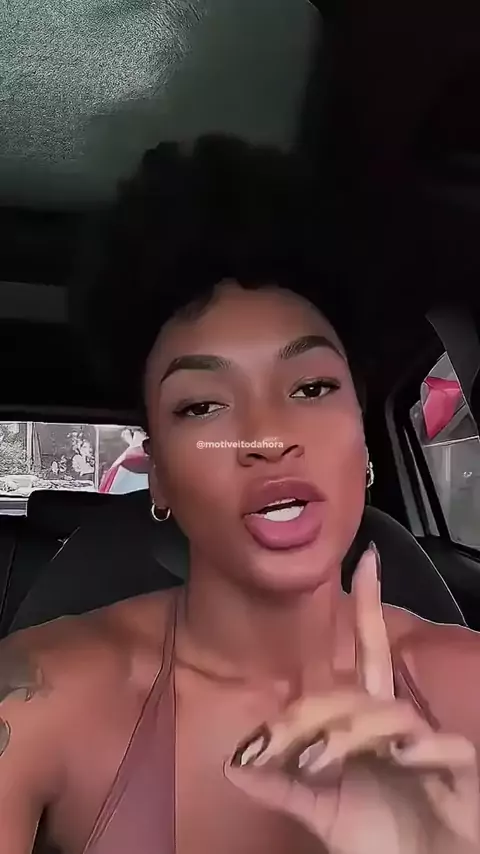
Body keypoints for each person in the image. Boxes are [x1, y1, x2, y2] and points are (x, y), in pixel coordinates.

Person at [1, 135, 479, 854]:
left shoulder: (472, 686)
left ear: (362, 443)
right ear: (159, 475)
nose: (267, 436)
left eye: (311, 388)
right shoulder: (37, 694)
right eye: (202, 406)